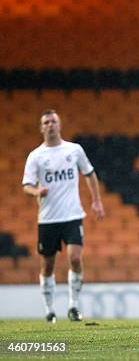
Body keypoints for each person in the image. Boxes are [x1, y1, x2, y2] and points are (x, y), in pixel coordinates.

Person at [22, 109, 105, 323]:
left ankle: (73, 306)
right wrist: (36, 192)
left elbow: (89, 174)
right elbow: (27, 185)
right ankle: (49, 310)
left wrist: (96, 201)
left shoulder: (74, 150)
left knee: (75, 258)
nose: (50, 125)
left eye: (53, 121)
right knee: (47, 265)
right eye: (46, 122)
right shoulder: (36, 156)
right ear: (41, 128)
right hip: (48, 219)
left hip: (72, 215)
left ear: (60, 125)